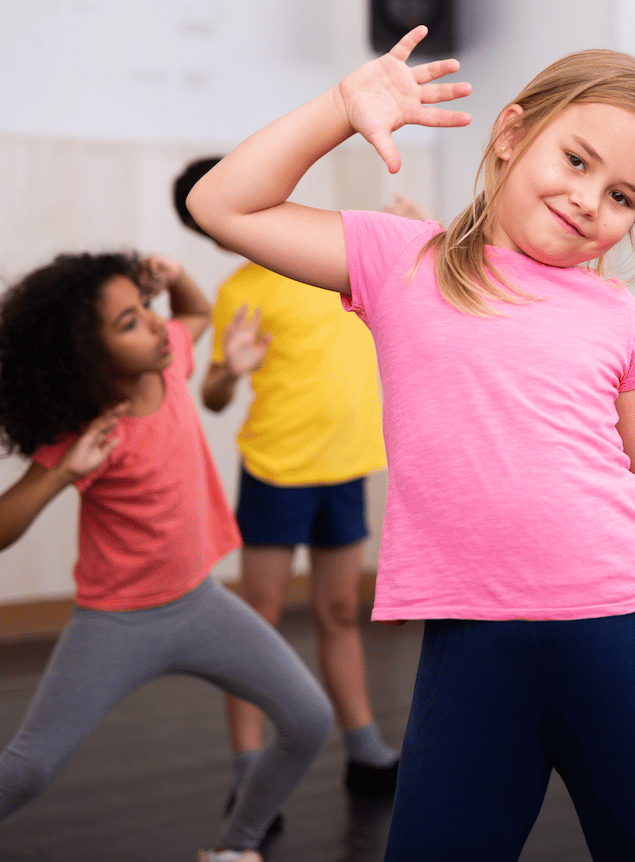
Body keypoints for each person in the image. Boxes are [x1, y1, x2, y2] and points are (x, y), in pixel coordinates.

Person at [186, 28, 635, 859]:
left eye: (624, 197)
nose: (591, 200)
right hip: (473, 645)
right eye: (577, 161)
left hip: (626, 637)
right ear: (510, 135)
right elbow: (224, 205)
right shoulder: (404, 261)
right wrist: (340, 107)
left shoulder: (615, 313)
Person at [0, 252, 333, 862]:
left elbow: (195, 311)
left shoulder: (167, 363)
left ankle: (235, 850)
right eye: (128, 322)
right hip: (116, 622)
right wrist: (62, 474)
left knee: (308, 721)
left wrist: (173, 279)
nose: (152, 324)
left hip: (202, 605)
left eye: (144, 309)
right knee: (28, 770)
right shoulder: (88, 428)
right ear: (86, 355)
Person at [172, 158, 400, 806]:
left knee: (336, 611)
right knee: (260, 621)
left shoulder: (338, 259)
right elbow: (213, 395)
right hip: (276, 470)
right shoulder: (239, 290)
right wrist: (229, 370)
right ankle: (250, 770)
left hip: (345, 467)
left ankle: (364, 749)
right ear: (213, 228)